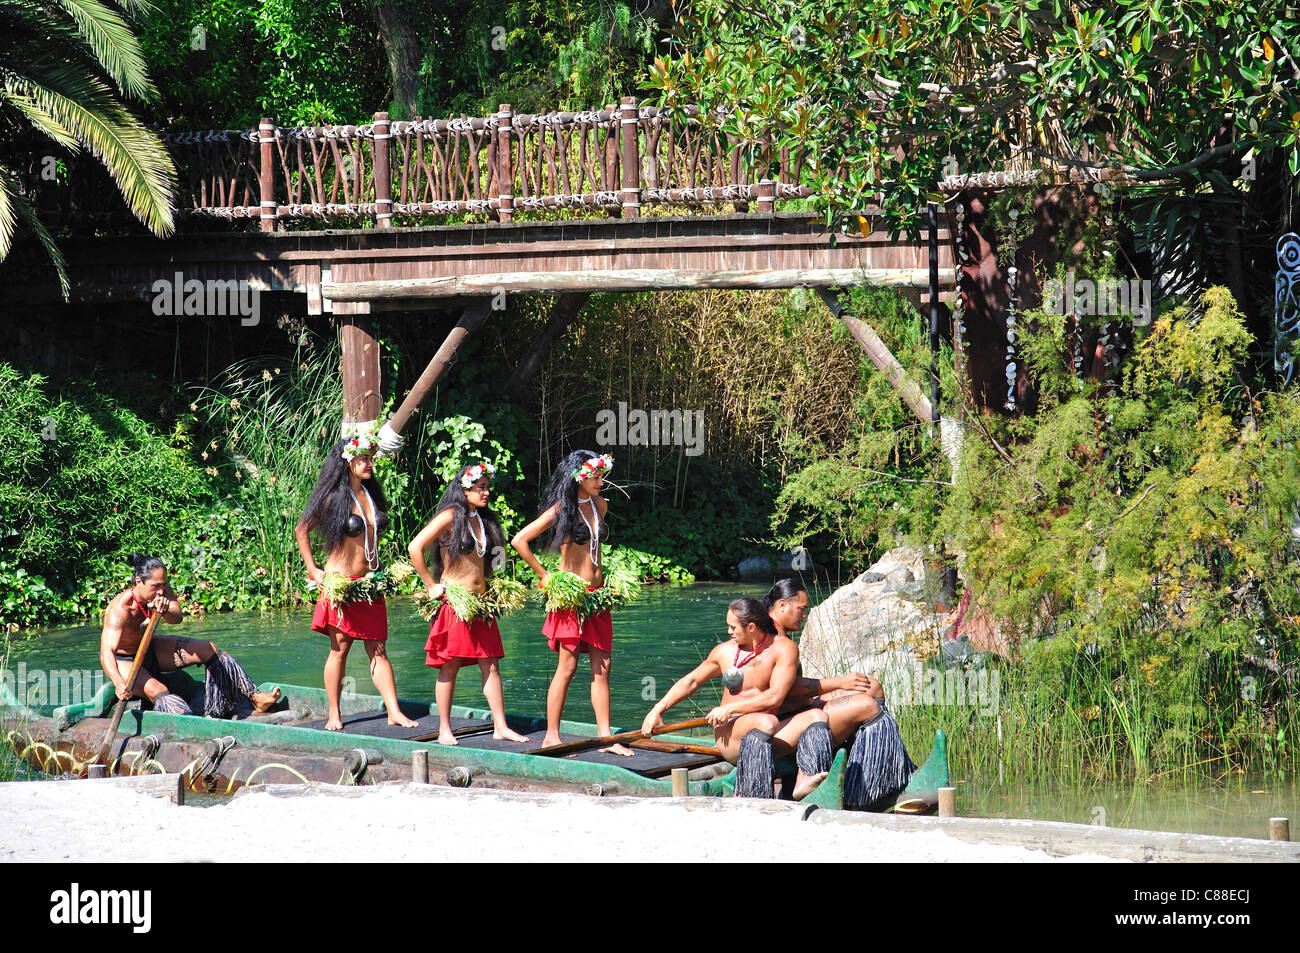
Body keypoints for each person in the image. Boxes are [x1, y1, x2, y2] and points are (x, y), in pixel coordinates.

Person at [640, 597, 835, 800]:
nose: (729, 632)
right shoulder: (725, 652)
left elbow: (775, 697)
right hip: (732, 734)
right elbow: (691, 681)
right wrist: (657, 709)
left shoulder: (783, 648)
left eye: (733, 627)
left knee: (816, 716)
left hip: (768, 732)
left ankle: (806, 779)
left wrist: (731, 709)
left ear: (751, 627)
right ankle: (748, 792)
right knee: (766, 721)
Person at [296, 429, 418, 731]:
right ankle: (334, 714)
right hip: (342, 585)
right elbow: (302, 530)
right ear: (348, 462)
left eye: (370, 458)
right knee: (340, 649)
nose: (369, 463)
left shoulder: (370, 495)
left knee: (379, 649)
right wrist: (314, 569)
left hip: (369, 584)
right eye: (363, 458)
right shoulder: (334, 498)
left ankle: (393, 711)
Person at [511, 450, 630, 754]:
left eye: (602, 476)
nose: (601, 482)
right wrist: (545, 576)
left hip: (597, 599)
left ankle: (605, 737)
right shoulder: (562, 510)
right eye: (595, 476)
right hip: (571, 599)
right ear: (580, 476)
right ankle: (552, 734)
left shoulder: (599, 505)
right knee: (567, 667)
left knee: (602, 669)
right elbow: (519, 540)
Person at [408, 462, 531, 746]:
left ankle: (500, 726)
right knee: (448, 666)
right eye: (481, 488)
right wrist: (431, 584)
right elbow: (415, 547)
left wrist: (497, 586)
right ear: (465, 490)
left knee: (491, 665)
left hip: (481, 604)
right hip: (455, 604)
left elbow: (489, 558)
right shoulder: (450, 516)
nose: (486, 492)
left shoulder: (484, 519)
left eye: (488, 487)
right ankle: (444, 729)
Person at [765, 577, 915, 808]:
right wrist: (839, 682)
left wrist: (837, 687)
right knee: (867, 704)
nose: (804, 615)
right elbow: (783, 690)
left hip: (797, 708)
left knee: (871, 687)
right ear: (782, 605)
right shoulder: (776, 641)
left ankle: (876, 769)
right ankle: (868, 784)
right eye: (801, 609)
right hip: (786, 724)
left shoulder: (777, 636)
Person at [99, 553, 280, 717]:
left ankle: (255, 697)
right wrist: (117, 681)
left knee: (208, 649)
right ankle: (184, 722)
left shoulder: (162, 590)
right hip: (124, 659)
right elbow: (106, 651)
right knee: (158, 689)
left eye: (164, 584)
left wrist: (165, 611)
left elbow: (177, 617)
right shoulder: (120, 609)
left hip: (150, 649)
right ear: (139, 582)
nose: (161, 591)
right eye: (155, 586)